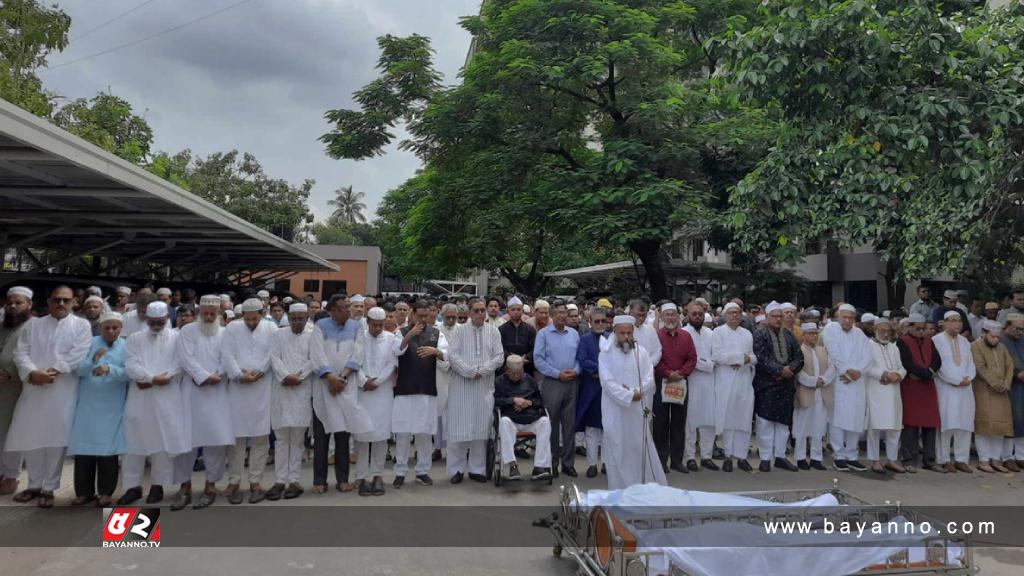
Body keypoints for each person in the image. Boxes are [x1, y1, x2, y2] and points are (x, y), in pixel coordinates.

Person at [6, 285, 92, 508]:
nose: (60, 304)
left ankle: (49, 487)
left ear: (74, 302)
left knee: (56, 440)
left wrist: (51, 371)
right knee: (32, 437)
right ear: (49, 301)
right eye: (56, 300)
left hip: (62, 391)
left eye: (65, 300)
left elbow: (78, 353)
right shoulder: (34, 325)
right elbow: (20, 352)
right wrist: (33, 373)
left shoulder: (81, 325)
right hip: (34, 388)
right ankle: (33, 485)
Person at [120, 301, 189, 505]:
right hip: (140, 397)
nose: (157, 326)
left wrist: (162, 379)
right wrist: (150, 379)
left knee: (162, 442)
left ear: (168, 319)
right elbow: (131, 364)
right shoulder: (134, 338)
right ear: (146, 319)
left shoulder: (178, 338)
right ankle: (132, 487)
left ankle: (158, 486)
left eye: (160, 322)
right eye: (153, 322)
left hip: (167, 396)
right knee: (134, 442)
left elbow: (181, 364)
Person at [173, 295, 235, 510]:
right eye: (205, 314)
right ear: (199, 313)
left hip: (217, 393)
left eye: (213, 314)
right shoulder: (187, 331)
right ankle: (185, 487)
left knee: (214, 441)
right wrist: (202, 376)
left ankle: (210, 486)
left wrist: (217, 375)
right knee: (185, 442)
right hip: (191, 391)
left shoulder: (226, 333)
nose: (209, 317)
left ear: (218, 314)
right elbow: (185, 358)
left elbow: (229, 358)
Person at [267, 303, 328, 500]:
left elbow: (315, 359)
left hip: (302, 391)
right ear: (289, 317)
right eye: (294, 318)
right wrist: (286, 376)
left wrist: (298, 377)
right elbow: (274, 358)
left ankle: (293, 480)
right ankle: (279, 480)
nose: (297, 322)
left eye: (301, 318)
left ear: (306, 318)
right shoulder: (278, 334)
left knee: (297, 439)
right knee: (282, 439)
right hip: (281, 390)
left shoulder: (313, 335)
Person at [598, 315, 667, 489]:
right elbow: (607, 382)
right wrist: (628, 395)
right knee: (617, 447)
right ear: (614, 331)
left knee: (638, 447)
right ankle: (620, 488)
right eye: (622, 333)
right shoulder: (605, 354)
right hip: (615, 409)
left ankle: (642, 486)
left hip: (637, 409)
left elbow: (649, 377)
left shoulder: (641, 352)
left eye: (629, 332)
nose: (626, 337)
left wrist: (638, 392)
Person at [68, 312, 128, 507]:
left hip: (112, 406)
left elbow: (130, 373)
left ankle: (105, 492)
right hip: (88, 405)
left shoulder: (127, 346)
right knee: (84, 449)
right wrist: (93, 360)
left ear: (121, 328)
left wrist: (110, 369)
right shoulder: (89, 343)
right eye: (107, 327)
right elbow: (78, 370)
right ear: (100, 327)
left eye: (115, 327)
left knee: (108, 451)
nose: (110, 331)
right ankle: (84, 493)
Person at [222, 298, 277, 504]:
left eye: (255, 319)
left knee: (260, 437)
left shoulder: (271, 328)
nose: (251, 322)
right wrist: (238, 374)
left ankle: (255, 481)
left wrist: (259, 371)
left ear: (261, 315)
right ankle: (234, 481)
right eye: (247, 319)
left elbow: (273, 354)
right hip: (237, 389)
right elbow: (226, 354)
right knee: (236, 438)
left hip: (262, 388)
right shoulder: (232, 328)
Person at [312, 294, 368, 494]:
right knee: (321, 436)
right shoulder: (320, 326)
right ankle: (319, 480)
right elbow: (316, 354)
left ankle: (343, 480)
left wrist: (342, 377)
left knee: (343, 435)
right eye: (344, 308)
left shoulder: (356, 326)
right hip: (323, 387)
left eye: (348, 307)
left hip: (346, 386)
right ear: (333, 311)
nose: (348, 311)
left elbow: (359, 353)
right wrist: (330, 377)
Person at [446, 297, 504, 483]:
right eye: (476, 310)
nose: (480, 313)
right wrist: (470, 372)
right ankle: (456, 470)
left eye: (482, 310)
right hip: (462, 385)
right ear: (470, 313)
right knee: (459, 427)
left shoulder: (493, 331)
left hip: (484, 386)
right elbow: (452, 356)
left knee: (481, 427)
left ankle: (476, 469)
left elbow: (499, 357)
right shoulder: (459, 331)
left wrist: (483, 370)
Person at [393, 300, 446, 488]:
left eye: (427, 315)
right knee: (403, 433)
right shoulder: (400, 332)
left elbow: (447, 359)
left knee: (424, 433)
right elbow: (395, 352)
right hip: (405, 389)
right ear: (412, 314)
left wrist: (436, 351)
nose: (423, 319)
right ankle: (400, 471)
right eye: (420, 315)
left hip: (426, 390)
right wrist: (409, 336)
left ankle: (422, 471)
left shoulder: (436, 334)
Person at [752, 302, 803, 472]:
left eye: (780, 316)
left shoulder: (788, 335)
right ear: (767, 317)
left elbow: (799, 357)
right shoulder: (760, 335)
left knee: (783, 424)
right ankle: (765, 458)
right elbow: (761, 357)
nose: (778, 319)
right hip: (767, 385)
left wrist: (791, 370)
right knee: (765, 423)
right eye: (774, 316)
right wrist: (781, 370)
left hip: (786, 386)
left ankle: (780, 457)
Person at [532, 299, 581, 477]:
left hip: (572, 383)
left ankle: (568, 463)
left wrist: (576, 371)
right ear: (552, 315)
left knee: (569, 425)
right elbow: (538, 360)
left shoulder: (574, 334)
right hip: (552, 382)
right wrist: (556, 373)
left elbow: (579, 357)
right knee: (550, 425)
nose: (562, 315)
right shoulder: (543, 334)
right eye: (559, 312)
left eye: (564, 312)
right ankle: (551, 462)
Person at [353, 308, 398, 496]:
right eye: (374, 325)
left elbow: (392, 363)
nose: (378, 328)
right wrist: (364, 381)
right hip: (362, 390)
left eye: (381, 325)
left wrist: (377, 381)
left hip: (382, 391)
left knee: (381, 435)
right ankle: (361, 476)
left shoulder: (390, 338)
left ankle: (378, 475)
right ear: (368, 322)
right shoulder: (359, 337)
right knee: (362, 435)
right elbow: (353, 362)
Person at [823, 303, 871, 472]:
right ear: (838, 317)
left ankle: (852, 455)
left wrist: (858, 372)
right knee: (837, 420)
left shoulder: (859, 333)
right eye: (844, 317)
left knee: (855, 420)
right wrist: (846, 371)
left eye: (851, 318)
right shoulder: (830, 330)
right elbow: (833, 353)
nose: (848, 320)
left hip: (857, 381)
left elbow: (867, 356)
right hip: (839, 380)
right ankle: (839, 455)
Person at [711, 302, 757, 472]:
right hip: (725, 381)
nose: (735, 315)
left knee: (744, 419)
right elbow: (717, 355)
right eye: (731, 313)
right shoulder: (718, 332)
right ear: (725, 315)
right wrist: (739, 358)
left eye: (737, 312)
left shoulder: (747, 334)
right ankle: (728, 456)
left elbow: (753, 357)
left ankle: (742, 457)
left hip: (744, 381)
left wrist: (746, 360)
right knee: (728, 419)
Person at [896, 313, 943, 473]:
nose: (921, 332)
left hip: (927, 386)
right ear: (910, 327)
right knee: (911, 424)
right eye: (918, 329)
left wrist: (928, 372)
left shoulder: (930, 341)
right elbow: (906, 362)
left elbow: (937, 360)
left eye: (923, 329)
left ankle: (929, 460)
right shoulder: (902, 342)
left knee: (931, 424)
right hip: (911, 386)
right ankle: (909, 459)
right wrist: (924, 373)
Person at [653, 302, 696, 473]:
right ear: (662, 317)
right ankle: (661, 462)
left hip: (681, 383)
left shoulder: (686, 336)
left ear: (679, 317)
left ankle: (677, 461)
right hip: (661, 382)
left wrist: (681, 373)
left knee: (679, 423)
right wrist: (667, 373)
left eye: (673, 314)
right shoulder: (656, 336)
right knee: (660, 424)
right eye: (667, 314)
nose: (670, 318)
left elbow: (692, 358)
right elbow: (655, 359)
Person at [494, 355, 552, 481]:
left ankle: (539, 467)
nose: (516, 376)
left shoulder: (529, 380)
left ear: (523, 370)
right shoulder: (499, 381)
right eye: (513, 373)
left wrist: (527, 403)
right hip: (511, 419)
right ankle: (512, 465)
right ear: (506, 370)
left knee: (545, 421)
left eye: (519, 373)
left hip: (530, 418)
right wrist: (513, 400)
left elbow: (539, 400)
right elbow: (496, 401)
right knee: (503, 422)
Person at [932, 311, 977, 473]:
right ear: (944, 323)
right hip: (946, 388)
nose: (957, 324)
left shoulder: (965, 341)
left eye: (959, 321)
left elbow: (971, 363)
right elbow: (939, 367)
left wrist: (968, 378)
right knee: (946, 424)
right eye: (953, 321)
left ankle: (961, 459)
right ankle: (943, 459)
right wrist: (956, 380)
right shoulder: (936, 341)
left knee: (964, 425)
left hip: (965, 388)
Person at [0, 286, 33, 495]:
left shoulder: (33, 327)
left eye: (18, 302)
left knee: (13, 432)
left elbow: (33, 354)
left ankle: (11, 476)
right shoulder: (3, 326)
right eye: (10, 302)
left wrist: (11, 373)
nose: (13, 306)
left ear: (29, 304)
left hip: (18, 386)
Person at [971, 320, 1014, 473]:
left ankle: (995, 459)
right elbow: (980, 367)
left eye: (998, 337)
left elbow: (1010, 365)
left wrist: (1006, 383)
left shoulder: (1002, 347)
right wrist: (996, 383)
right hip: (984, 391)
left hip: (1002, 392)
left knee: (1000, 426)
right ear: (984, 334)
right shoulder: (975, 346)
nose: (996, 339)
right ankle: (983, 460)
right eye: (993, 337)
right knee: (984, 426)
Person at [865, 318, 907, 474]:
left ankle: (892, 460)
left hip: (894, 391)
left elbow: (902, 367)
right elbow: (866, 367)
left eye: (888, 331)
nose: (885, 334)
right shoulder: (868, 346)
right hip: (876, 391)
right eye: (882, 331)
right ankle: (875, 460)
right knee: (875, 427)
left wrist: (898, 375)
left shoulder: (894, 347)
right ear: (875, 329)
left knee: (894, 427)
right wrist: (883, 374)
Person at [682, 302, 717, 472]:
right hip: (692, 382)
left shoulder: (711, 333)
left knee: (709, 421)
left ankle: (707, 456)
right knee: (690, 421)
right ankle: (689, 457)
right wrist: (707, 365)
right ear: (687, 314)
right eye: (694, 314)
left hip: (710, 383)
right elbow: (689, 359)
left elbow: (717, 354)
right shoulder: (684, 333)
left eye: (700, 314)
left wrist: (709, 364)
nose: (697, 316)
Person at [576, 306, 610, 478]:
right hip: (591, 388)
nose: (600, 324)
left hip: (608, 390)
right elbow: (582, 359)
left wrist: (605, 373)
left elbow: (615, 360)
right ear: (590, 322)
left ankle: (605, 462)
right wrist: (599, 370)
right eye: (597, 321)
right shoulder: (585, 339)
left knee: (607, 428)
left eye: (603, 321)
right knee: (591, 429)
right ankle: (591, 464)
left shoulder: (611, 338)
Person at [793, 322, 832, 471]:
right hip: (806, 392)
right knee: (803, 426)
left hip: (821, 392)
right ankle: (800, 457)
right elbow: (798, 371)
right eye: (810, 333)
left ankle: (816, 458)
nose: (814, 336)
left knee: (819, 426)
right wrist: (812, 381)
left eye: (815, 333)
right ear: (803, 335)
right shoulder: (799, 350)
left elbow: (832, 368)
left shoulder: (823, 350)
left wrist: (824, 380)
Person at [435, 304, 459, 460]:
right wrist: (445, 364)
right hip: (439, 374)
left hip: (457, 375)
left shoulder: (462, 329)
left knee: (454, 413)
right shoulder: (436, 329)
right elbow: (433, 351)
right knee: (438, 412)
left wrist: (453, 364)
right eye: (447, 317)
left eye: (453, 317)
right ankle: (437, 447)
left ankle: (454, 448)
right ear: (442, 316)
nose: (451, 320)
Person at [1000, 313, 1024, 471]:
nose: (1020, 332)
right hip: (1010, 386)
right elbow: (1009, 363)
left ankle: (1021, 456)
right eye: (1017, 329)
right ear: (1007, 326)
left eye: (1022, 329)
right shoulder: (1002, 341)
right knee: (1012, 420)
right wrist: (1018, 373)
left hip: (1022, 385)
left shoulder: (1022, 339)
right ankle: (1007, 456)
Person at [499, 296, 536, 375]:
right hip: (507, 368)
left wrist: (525, 358)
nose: (516, 312)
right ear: (508, 311)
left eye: (518, 309)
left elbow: (535, 348)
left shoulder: (530, 329)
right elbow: (500, 348)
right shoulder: (501, 329)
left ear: (522, 311)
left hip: (526, 367)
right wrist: (511, 358)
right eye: (513, 309)